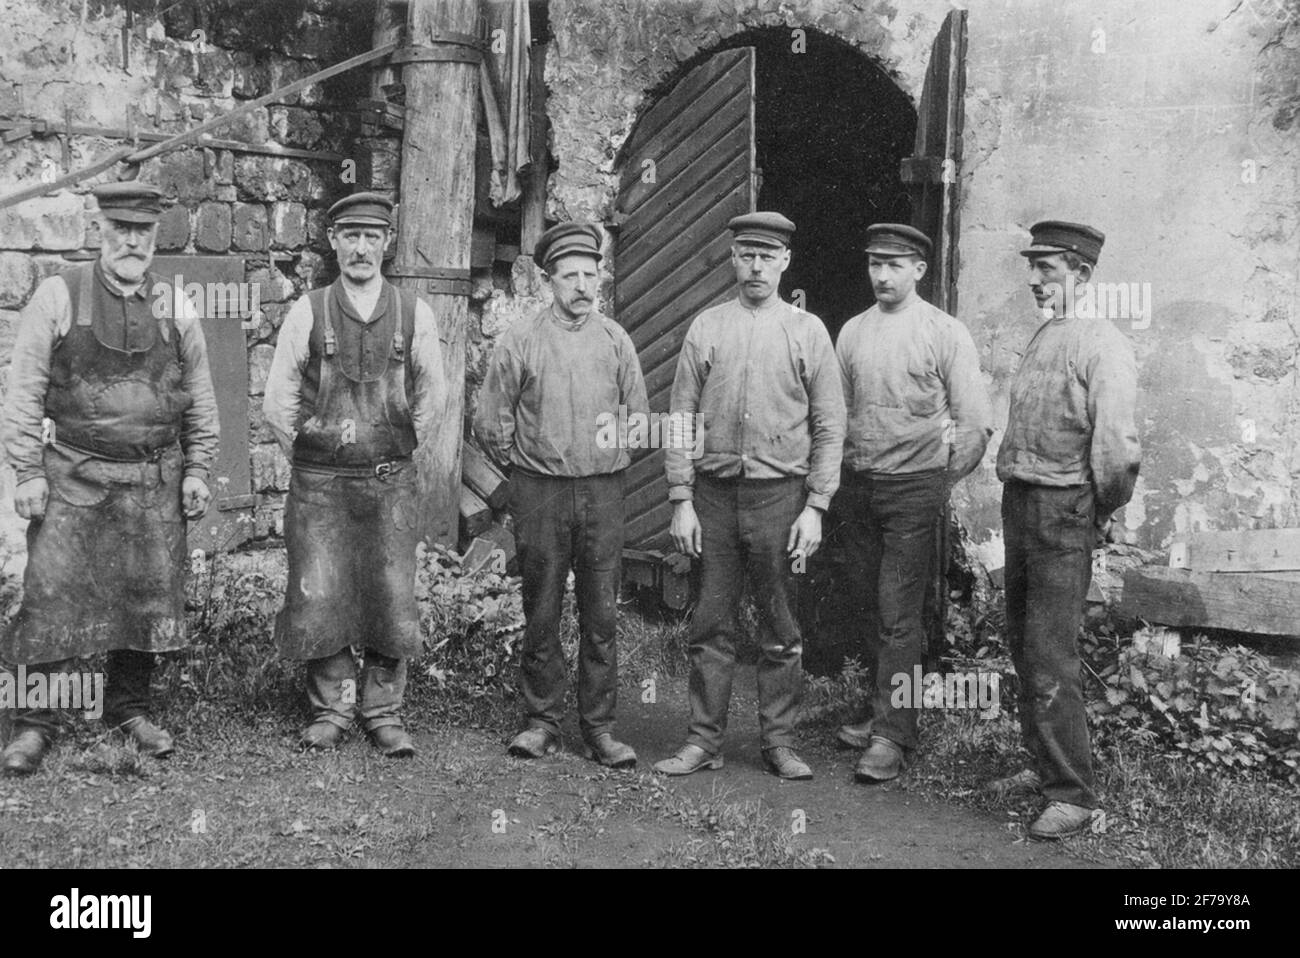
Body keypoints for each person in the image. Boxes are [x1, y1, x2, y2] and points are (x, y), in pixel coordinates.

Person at [1, 181, 219, 775]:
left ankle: (127, 709)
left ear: (154, 236)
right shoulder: (59, 294)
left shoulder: (177, 306)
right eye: (120, 228)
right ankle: (33, 723)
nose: (131, 240)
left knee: (146, 596)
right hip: (73, 475)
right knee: (50, 595)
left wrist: (198, 467)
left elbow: (200, 397)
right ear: (99, 228)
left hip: (152, 480)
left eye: (142, 231)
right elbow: (22, 393)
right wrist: (26, 471)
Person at [654, 212, 846, 781]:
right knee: (710, 623)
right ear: (732, 259)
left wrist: (816, 507)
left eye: (767, 256)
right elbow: (680, 416)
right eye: (746, 254)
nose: (757, 266)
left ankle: (779, 742)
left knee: (780, 626)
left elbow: (831, 425)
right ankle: (702, 740)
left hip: (780, 498)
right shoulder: (707, 326)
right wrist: (680, 497)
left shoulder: (807, 331)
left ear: (785, 261)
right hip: (712, 496)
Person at [263, 192, 444, 757]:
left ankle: (383, 711)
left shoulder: (415, 313)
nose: (361, 248)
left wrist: (398, 448)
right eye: (350, 236)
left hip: (389, 481)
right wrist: (312, 453)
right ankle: (333, 709)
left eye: (372, 237)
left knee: (391, 595)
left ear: (387, 244)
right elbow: (277, 401)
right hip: (320, 484)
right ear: (333, 241)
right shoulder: (308, 310)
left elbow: (433, 396)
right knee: (320, 590)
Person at [474, 221, 648, 767]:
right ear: (548, 279)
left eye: (589, 275)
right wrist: (530, 466)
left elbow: (639, 421)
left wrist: (600, 456)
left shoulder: (616, 340)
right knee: (542, 609)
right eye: (569, 275)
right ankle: (541, 720)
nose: (581, 285)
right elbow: (490, 420)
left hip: (602, 494)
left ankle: (598, 727)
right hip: (540, 493)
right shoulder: (521, 340)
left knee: (600, 614)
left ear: (600, 278)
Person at [991, 220, 1140, 839]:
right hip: (1021, 500)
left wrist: (1097, 511)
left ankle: (1073, 794)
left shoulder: (1103, 342)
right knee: (1025, 642)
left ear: (1081, 274)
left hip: (1064, 508)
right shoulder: (1047, 334)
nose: (1034, 279)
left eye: (1047, 268)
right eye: (1032, 266)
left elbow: (1119, 449)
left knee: (1052, 649)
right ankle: (1043, 766)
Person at [834, 223, 993, 783]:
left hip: (915, 488)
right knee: (867, 603)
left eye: (894, 265)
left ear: (919, 270)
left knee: (900, 614)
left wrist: (938, 484)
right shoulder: (852, 332)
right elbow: (840, 416)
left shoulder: (945, 332)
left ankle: (892, 737)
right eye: (875, 264)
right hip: (860, 487)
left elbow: (975, 426)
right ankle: (883, 710)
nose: (882, 275)